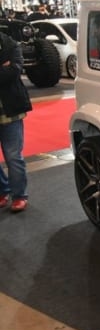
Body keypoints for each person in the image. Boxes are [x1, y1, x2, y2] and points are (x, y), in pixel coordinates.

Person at [0, 31, 32, 212]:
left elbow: (14, 71)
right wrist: (3, 67)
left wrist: (9, 69)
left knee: (13, 156)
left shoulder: (11, 45)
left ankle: (19, 195)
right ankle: (2, 191)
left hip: (10, 112)